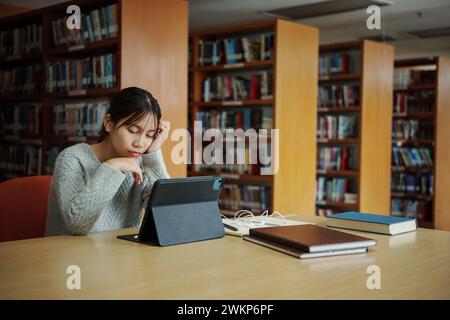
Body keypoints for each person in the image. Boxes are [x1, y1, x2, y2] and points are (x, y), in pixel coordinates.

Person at [45, 87, 170, 236]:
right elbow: (77, 224)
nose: (140, 143)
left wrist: (154, 154)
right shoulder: (72, 159)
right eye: (133, 131)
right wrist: (112, 167)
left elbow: (167, 217)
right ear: (109, 123)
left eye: (149, 135)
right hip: (74, 256)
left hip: (121, 254)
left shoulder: (142, 161)